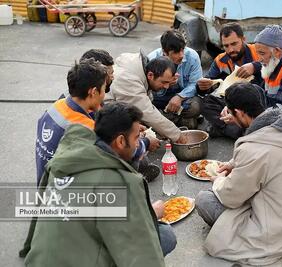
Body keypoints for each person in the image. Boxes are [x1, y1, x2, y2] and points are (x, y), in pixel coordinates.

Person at [23, 102, 175, 266]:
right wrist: (149, 214)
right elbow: (142, 256)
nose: (139, 144)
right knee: (165, 236)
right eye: (137, 137)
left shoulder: (65, 158)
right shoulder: (120, 182)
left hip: (38, 260)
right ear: (121, 141)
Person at [195, 83, 282, 265]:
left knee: (204, 199)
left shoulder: (254, 151)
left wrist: (218, 181)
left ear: (240, 113)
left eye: (232, 113)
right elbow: (267, 151)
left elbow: (231, 197)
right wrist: (234, 164)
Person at [79, 49, 161, 182]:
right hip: (85, 181)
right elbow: (111, 145)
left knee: (136, 152)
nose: (113, 78)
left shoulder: (78, 97)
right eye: (110, 74)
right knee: (135, 154)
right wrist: (145, 142)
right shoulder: (84, 123)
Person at [35, 58, 107, 186]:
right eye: (104, 89)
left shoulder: (56, 106)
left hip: (44, 185)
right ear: (94, 92)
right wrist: (143, 143)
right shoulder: (86, 129)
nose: (104, 96)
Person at [197, 22, 262, 139]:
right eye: (226, 46)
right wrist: (203, 86)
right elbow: (210, 81)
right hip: (231, 102)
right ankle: (237, 130)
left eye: (234, 43)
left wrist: (255, 66)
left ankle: (222, 128)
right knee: (205, 103)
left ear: (244, 39)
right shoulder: (220, 60)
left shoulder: (257, 53)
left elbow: (275, 64)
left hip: (254, 101)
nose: (231, 49)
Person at [105, 53, 187, 144]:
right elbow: (147, 112)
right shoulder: (129, 80)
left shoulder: (140, 69)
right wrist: (177, 135)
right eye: (164, 82)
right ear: (150, 75)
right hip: (106, 120)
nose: (167, 87)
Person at [148, 30, 202, 129]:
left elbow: (195, 84)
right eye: (176, 52)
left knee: (195, 107)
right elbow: (148, 89)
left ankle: (163, 119)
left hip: (184, 99)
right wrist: (165, 85)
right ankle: (182, 121)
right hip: (160, 98)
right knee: (146, 105)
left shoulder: (192, 56)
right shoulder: (152, 60)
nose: (181, 55)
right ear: (165, 52)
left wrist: (179, 97)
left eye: (182, 50)